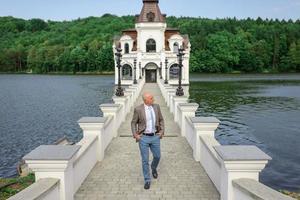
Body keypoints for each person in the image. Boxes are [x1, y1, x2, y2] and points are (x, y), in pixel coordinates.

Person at [131, 92, 165, 189]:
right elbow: (133, 123)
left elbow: (161, 120)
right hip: (143, 138)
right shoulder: (138, 109)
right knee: (145, 160)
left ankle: (153, 168)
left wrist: (162, 131)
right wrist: (135, 134)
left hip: (155, 136)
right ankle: (147, 180)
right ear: (145, 100)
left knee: (158, 156)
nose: (153, 99)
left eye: (152, 97)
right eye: (151, 98)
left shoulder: (156, 107)